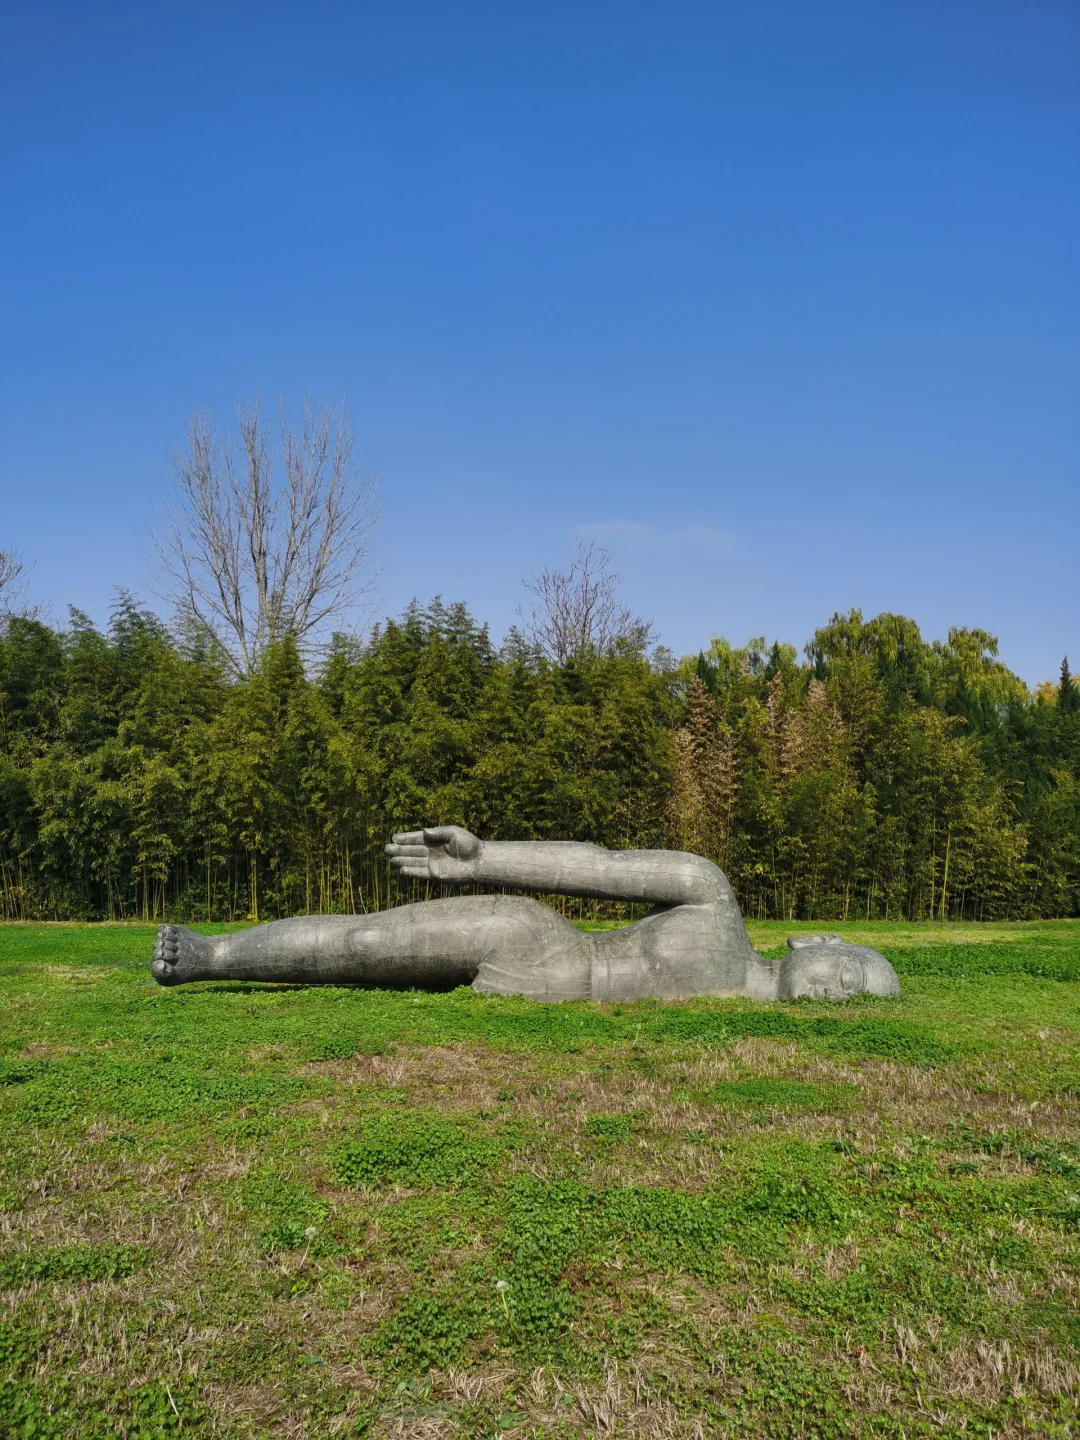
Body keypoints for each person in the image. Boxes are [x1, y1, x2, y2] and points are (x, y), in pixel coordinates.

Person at [151, 826, 900, 1002]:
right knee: (371, 940)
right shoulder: (714, 900)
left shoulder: (748, 1017)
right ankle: (214, 956)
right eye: (858, 967)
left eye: (861, 998)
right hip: (545, 945)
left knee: (382, 964)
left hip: (550, 989)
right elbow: (598, 869)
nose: (848, 987)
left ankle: (218, 956)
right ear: (823, 940)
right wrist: (481, 859)